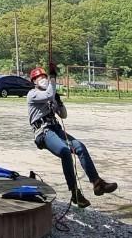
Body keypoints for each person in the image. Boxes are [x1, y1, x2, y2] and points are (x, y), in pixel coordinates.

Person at [26, 65, 116, 208]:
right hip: (43, 132)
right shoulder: (33, 94)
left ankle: (97, 183)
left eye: (44, 77)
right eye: (39, 78)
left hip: (55, 128)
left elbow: (63, 115)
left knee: (80, 146)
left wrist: (59, 103)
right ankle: (75, 193)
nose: (42, 79)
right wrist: (53, 78)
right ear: (34, 82)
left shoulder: (51, 95)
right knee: (65, 152)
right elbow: (48, 94)